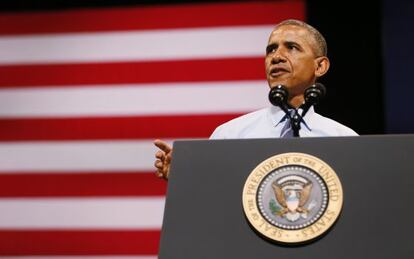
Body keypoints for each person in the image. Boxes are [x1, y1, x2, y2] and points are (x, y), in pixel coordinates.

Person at [154, 19, 357, 180]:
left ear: (320, 66)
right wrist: (184, 180)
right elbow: (212, 201)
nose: (277, 56)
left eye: (292, 47)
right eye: (271, 49)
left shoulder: (345, 140)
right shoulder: (230, 135)